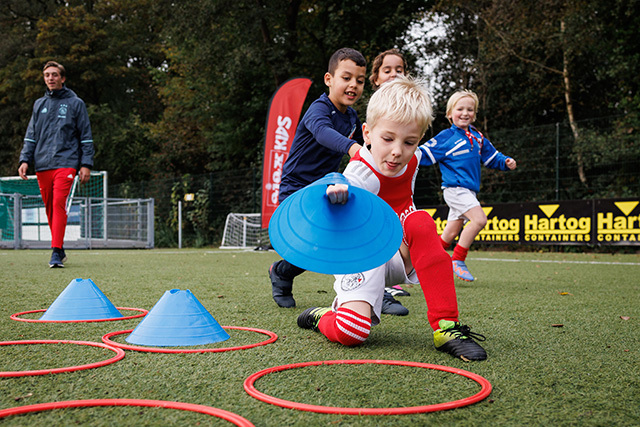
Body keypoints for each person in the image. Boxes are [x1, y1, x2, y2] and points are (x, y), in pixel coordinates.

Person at [297, 77, 488, 361]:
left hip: (398, 252)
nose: (398, 151)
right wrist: (335, 191)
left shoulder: (413, 161)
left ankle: (447, 327)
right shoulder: (360, 170)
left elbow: (406, 204)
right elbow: (339, 191)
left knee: (420, 221)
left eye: (409, 142)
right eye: (388, 139)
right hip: (362, 257)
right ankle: (323, 316)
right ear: (367, 133)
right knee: (351, 333)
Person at [268, 47, 409, 316]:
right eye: (346, 78)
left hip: (329, 187)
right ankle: (281, 272)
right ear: (329, 79)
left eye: (359, 80)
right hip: (298, 188)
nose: (353, 85)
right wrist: (354, 148)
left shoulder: (353, 117)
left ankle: (374, 293)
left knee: (348, 238)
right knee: (311, 247)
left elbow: (370, 144)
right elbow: (323, 133)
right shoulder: (319, 109)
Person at [422, 90, 517, 281]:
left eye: (470, 110)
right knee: (479, 220)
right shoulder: (446, 137)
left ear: (474, 114)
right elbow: (422, 153)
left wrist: (505, 161)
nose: (465, 113)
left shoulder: (478, 137)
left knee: (451, 233)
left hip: (468, 192)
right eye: (460, 109)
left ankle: (427, 264)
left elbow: (492, 156)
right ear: (449, 114)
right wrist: (402, 154)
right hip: (455, 189)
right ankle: (457, 259)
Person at [18, 61, 94, 268]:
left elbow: (86, 136)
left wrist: (86, 164)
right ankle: (59, 249)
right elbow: (31, 136)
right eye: (47, 75)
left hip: (67, 162)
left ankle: (54, 252)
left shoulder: (76, 103)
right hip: (42, 164)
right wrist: (25, 159)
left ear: (62, 78)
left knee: (59, 203)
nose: (50, 78)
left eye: (54, 74)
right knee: (50, 209)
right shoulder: (38, 104)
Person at [369, 48, 411, 299]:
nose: (394, 74)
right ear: (376, 78)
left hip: (397, 182)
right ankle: (375, 285)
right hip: (376, 178)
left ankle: (389, 279)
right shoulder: (376, 108)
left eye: (399, 70)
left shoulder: (409, 107)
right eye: (387, 70)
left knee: (403, 232)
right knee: (376, 227)